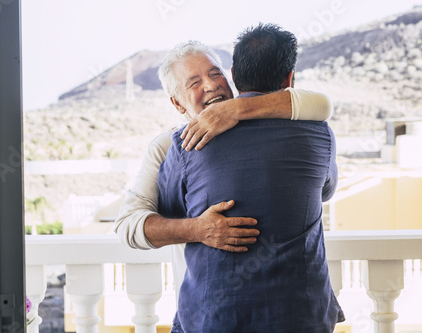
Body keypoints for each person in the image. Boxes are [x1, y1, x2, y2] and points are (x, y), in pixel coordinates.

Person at [158, 24, 343, 332]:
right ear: (289, 78)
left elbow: (169, 209)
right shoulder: (319, 132)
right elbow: (326, 190)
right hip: (300, 317)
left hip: (212, 320)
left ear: (232, 73)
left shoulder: (184, 144)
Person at [114, 41, 333, 301]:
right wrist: (197, 229)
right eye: (194, 82)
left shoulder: (268, 125)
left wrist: (236, 109)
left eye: (215, 73)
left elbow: (321, 104)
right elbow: (128, 225)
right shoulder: (168, 147)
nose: (210, 85)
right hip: (208, 309)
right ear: (178, 103)